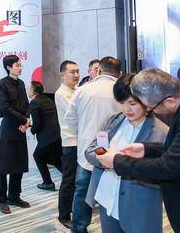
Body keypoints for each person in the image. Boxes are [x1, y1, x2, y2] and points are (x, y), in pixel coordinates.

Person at [96, 68, 180, 233]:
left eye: (150, 107)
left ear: (169, 100)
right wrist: (146, 149)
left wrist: (117, 161)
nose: (151, 112)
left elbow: (168, 167)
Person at [85, 74, 168, 233]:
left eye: (132, 103)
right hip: (107, 197)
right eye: (122, 103)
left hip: (139, 203)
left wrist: (119, 161)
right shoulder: (113, 121)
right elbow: (93, 149)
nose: (126, 109)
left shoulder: (161, 132)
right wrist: (105, 157)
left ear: (146, 101)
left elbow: (163, 171)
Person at [65, 56, 121, 233]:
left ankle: (79, 228)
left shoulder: (82, 90)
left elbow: (70, 119)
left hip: (87, 150)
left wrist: (83, 135)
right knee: (114, 193)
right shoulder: (122, 91)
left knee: (82, 192)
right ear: (119, 73)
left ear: (100, 70)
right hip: (114, 152)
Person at [0, 54, 30, 214]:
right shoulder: (1, 84)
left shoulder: (21, 83)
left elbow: (26, 104)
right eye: (17, 65)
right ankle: (1, 200)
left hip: (21, 128)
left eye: (20, 65)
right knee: (4, 165)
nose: (20, 68)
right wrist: (24, 119)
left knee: (18, 163)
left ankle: (14, 196)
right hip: (8, 128)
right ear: (8, 67)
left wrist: (26, 122)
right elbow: (4, 108)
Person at [54, 60, 80, 229]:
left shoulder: (77, 90)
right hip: (71, 142)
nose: (76, 75)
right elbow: (77, 115)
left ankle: (75, 213)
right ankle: (63, 216)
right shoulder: (61, 93)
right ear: (62, 75)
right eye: (72, 72)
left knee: (79, 181)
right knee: (69, 181)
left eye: (77, 71)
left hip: (81, 141)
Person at [28, 81, 62, 191]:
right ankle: (73, 179)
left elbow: (37, 123)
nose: (27, 90)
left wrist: (31, 129)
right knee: (56, 160)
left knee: (37, 156)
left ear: (33, 91)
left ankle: (48, 183)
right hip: (56, 136)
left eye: (29, 88)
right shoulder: (48, 100)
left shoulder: (34, 103)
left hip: (47, 138)